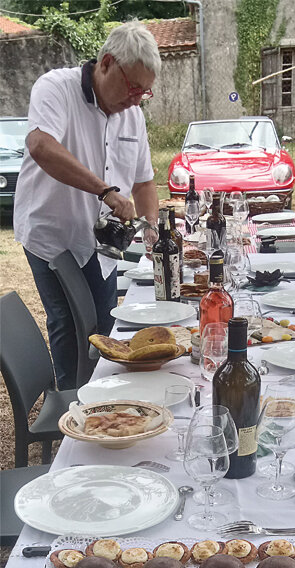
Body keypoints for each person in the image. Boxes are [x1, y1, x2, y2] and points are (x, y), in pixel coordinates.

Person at [14, 20, 161, 389]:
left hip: (104, 243)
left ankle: (104, 395)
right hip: (53, 236)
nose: (137, 98)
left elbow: (144, 182)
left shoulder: (134, 115)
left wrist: (153, 227)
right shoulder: (55, 88)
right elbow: (41, 146)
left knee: (105, 323)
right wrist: (106, 191)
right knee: (68, 323)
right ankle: (70, 405)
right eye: (133, 87)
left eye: (145, 92)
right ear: (108, 62)